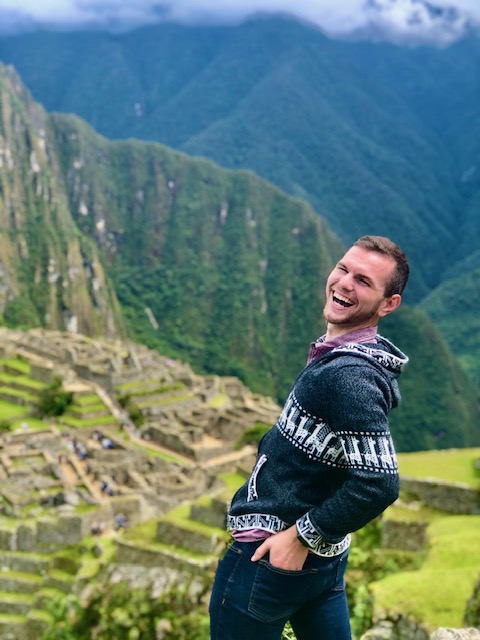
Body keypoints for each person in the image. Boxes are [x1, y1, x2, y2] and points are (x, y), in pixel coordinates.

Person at [209, 236, 410, 640]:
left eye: (364, 282)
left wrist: (300, 537)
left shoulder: (347, 376)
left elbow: (379, 482)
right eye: (343, 269)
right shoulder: (346, 360)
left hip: (270, 558)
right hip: (322, 564)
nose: (344, 283)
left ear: (389, 304)